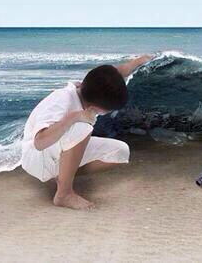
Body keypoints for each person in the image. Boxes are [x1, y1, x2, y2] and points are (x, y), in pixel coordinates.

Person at [20, 55, 152, 210]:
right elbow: (39, 142)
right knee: (82, 128)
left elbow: (114, 72)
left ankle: (62, 176)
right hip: (36, 157)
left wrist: (137, 62)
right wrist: (75, 117)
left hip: (55, 151)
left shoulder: (90, 86)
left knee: (120, 152)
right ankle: (64, 194)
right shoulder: (61, 99)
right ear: (97, 108)